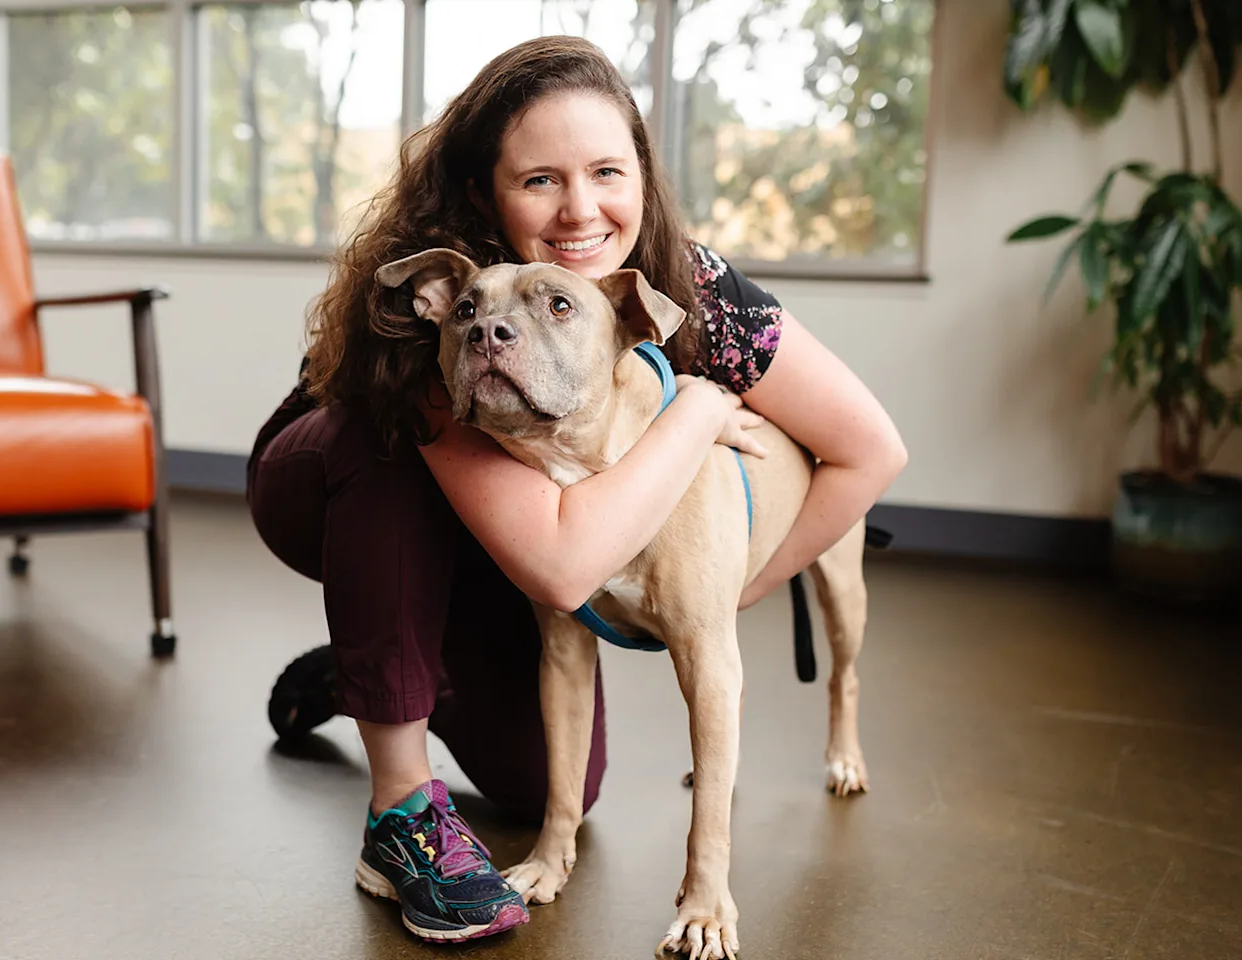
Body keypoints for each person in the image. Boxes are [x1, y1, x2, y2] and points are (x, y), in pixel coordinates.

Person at [246, 35, 907, 944]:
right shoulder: (460, 311)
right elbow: (562, 574)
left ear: (643, 177)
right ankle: (398, 795)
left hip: (515, 528)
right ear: (484, 192)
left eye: (606, 171)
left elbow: (872, 450)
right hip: (341, 483)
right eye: (539, 181)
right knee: (394, 441)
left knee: (546, 785)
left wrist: (721, 593)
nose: (580, 209)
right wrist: (701, 410)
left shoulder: (693, 289)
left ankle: (387, 672)